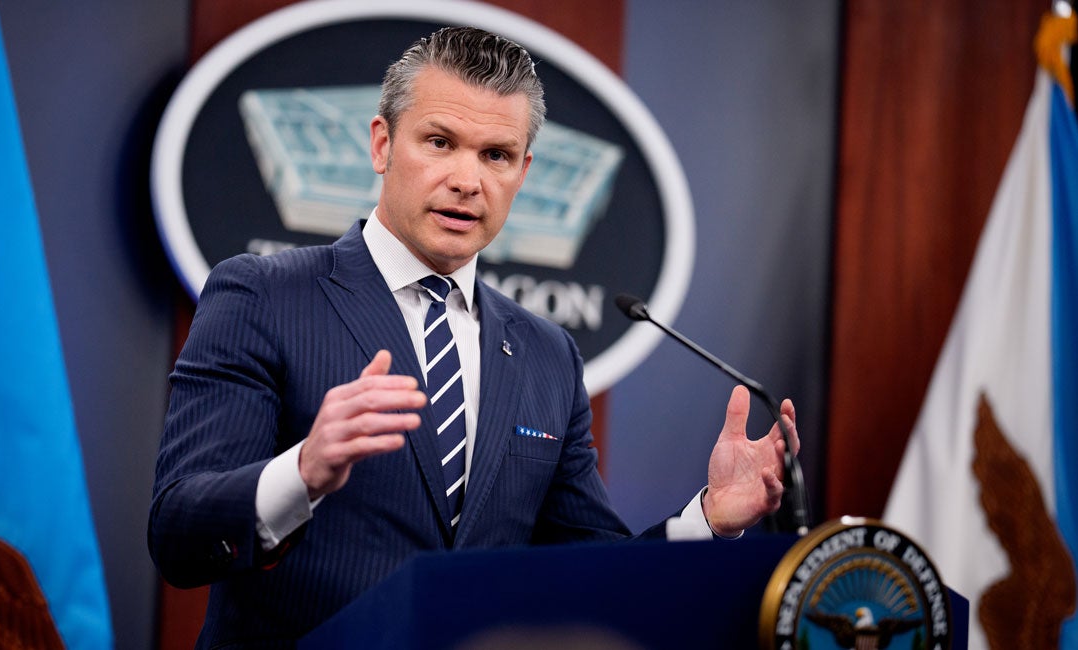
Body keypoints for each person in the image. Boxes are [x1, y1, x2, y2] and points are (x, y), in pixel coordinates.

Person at [149, 26, 799, 649]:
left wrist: (709, 520)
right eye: (439, 142)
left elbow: (596, 571)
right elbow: (178, 534)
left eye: (496, 155)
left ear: (523, 171)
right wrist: (302, 472)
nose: (467, 180)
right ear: (382, 145)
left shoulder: (547, 355)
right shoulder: (263, 295)